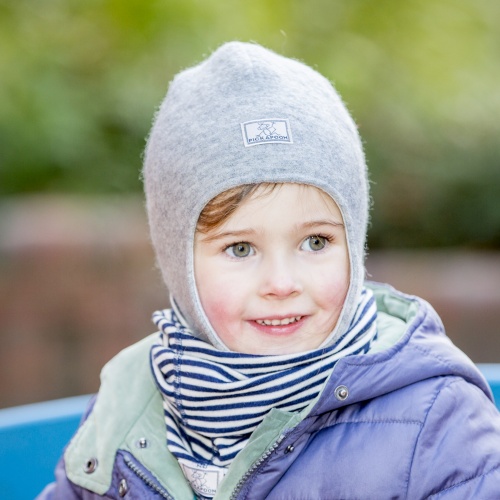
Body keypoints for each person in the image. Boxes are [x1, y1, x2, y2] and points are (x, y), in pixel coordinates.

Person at [38, 41, 500, 499]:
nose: (282, 283)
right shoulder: (127, 406)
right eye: (240, 248)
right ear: (179, 264)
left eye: (315, 242)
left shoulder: (438, 424)